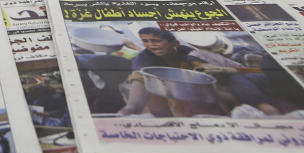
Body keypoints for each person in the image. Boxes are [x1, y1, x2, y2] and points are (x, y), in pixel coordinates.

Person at [118, 28, 281, 117]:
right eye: (146, 42)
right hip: (169, 90)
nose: (151, 45)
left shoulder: (191, 53)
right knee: (174, 102)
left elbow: (199, 66)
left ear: (174, 43)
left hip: (201, 85)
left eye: (155, 41)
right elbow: (138, 77)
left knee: (228, 91)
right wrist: (132, 107)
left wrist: (220, 71)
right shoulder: (145, 57)